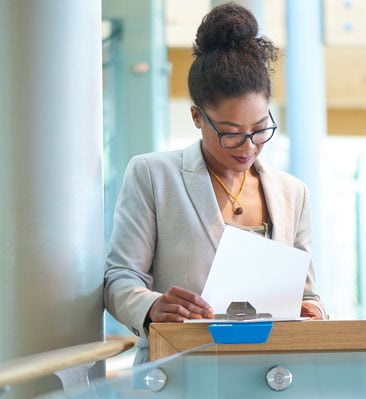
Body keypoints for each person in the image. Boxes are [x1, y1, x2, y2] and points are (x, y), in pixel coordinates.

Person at [104, 2, 326, 351]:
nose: (248, 146)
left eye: (260, 129)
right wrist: (151, 306)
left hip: (271, 370)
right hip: (182, 367)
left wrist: (311, 310)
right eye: (230, 132)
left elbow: (308, 293)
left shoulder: (292, 192)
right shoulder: (154, 176)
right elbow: (120, 277)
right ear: (196, 117)